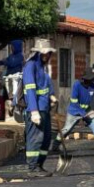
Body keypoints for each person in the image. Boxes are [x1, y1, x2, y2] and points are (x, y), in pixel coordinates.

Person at [23, 38, 57, 178]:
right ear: (38, 53)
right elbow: (30, 89)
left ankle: (39, 165)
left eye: (49, 53)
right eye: (45, 53)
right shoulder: (30, 66)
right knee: (35, 139)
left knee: (46, 138)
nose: (48, 56)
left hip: (45, 108)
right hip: (36, 109)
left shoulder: (42, 68)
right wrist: (34, 111)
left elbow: (46, 85)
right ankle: (32, 167)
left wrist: (51, 96)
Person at [52, 67, 94, 152]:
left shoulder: (93, 85)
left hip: (87, 110)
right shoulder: (77, 85)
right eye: (91, 79)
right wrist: (82, 113)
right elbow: (74, 102)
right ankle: (55, 145)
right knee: (66, 130)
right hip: (74, 111)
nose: (92, 81)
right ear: (85, 78)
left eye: (93, 78)